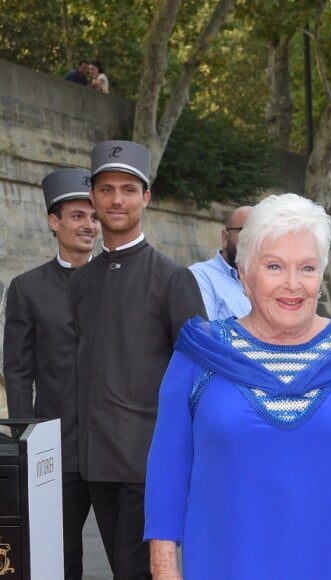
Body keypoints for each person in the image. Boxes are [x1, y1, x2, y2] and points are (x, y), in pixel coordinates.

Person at [145, 193, 331, 580]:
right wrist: (164, 569)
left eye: (307, 268)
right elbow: (167, 472)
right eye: (274, 266)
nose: (292, 285)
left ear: (321, 276)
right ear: (244, 273)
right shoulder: (200, 354)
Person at [69, 140, 207, 579]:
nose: (116, 199)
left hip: (147, 463)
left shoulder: (172, 279)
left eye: (128, 189)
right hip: (94, 462)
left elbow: (199, 375)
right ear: (92, 196)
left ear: (146, 197)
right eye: (107, 189)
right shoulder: (82, 281)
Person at [3, 168, 99, 580]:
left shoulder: (120, 280)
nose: (89, 225)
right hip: (58, 451)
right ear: (54, 222)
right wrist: (25, 440)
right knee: (60, 559)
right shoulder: (27, 289)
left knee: (133, 559)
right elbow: (18, 371)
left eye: (93, 216)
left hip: (118, 448)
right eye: (78, 216)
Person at [189, 205, 252, 319]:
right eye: (246, 232)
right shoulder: (199, 276)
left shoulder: (270, 281)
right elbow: (205, 332)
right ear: (225, 238)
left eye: (261, 234)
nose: (254, 240)